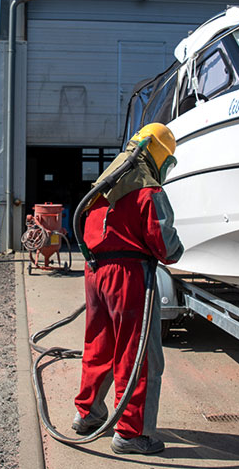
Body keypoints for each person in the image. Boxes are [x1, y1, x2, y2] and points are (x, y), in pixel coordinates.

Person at [72, 123, 184, 455]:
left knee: (99, 346)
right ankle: (132, 433)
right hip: (130, 276)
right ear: (159, 157)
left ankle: (88, 413)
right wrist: (176, 250)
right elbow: (166, 247)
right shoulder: (148, 191)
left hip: (95, 273)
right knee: (138, 355)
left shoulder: (101, 189)